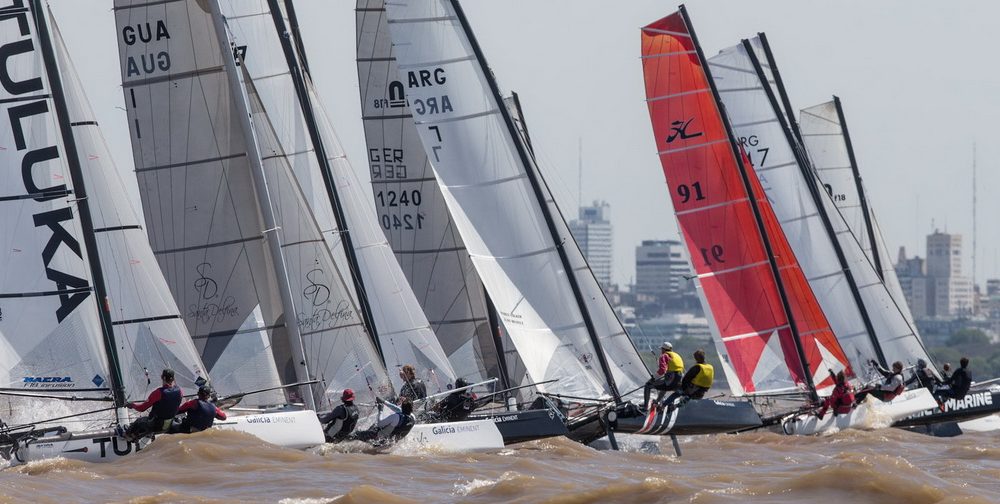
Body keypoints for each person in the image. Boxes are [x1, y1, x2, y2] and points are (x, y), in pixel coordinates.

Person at [119, 369, 183, 441]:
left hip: (155, 426)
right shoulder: (180, 391)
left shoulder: (158, 392)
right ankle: (145, 434)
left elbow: (142, 408)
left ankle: (125, 435)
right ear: (173, 379)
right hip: (169, 424)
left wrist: (132, 405)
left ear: (163, 377)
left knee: (139, 422)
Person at [642, 342, 684, 410]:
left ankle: (645, 407)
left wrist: (653, 378)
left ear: (664, 349)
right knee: (664, 385)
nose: (661, 351)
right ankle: (657, 402)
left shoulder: (664, 356)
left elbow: (662, 370)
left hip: (671, 380)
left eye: (661, 349)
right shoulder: (677, 356)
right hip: (679, 382)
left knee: (648, 385)